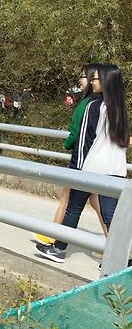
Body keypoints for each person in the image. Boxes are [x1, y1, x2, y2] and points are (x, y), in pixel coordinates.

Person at [36, 63, 129, 263]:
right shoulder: (119, 107)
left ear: (105, 81)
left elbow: (84, 139)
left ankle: (59, 249)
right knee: (110, 215)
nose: (92, 82)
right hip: (116, 168)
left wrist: (78, 167)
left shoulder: (94, 105)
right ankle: (121, 258)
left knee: (74, 208)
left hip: (93, 167)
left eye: (95, 79)